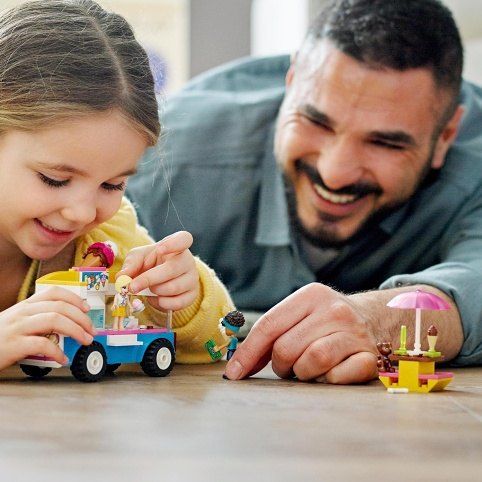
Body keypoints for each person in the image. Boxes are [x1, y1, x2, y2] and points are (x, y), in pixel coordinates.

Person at [127, 0, 482, 383]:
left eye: (384, 143)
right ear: (292, 82)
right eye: (316, 121)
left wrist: (380, 319)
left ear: (445, 136)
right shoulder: (161, 156)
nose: (334, 174)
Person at [0, 0, 234, 372]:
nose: (81, 213)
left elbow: (221, 341)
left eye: (112, 184)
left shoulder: (105, 240)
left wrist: (182, 300)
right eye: (55, 179)